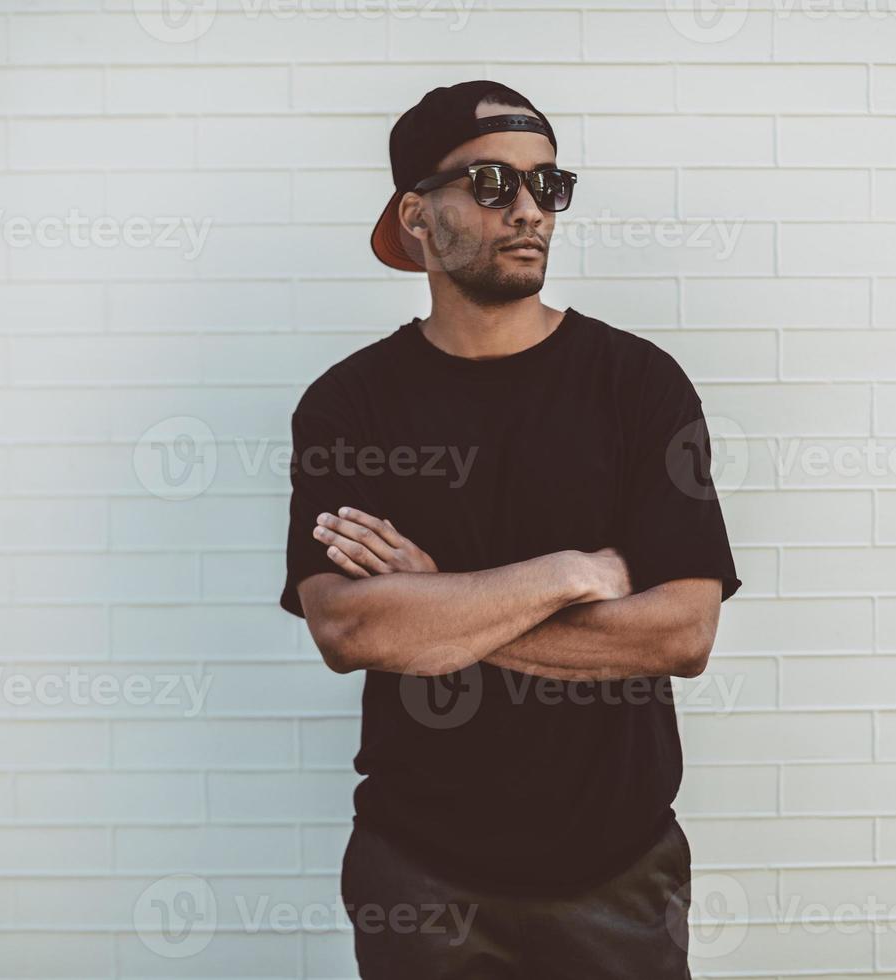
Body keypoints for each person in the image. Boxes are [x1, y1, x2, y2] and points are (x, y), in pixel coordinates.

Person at [279, 79, 742, 980]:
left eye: (547, 185)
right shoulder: (349, 405)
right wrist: (568, 571)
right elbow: (349, 628)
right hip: (418, 878)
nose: (528, 209)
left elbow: (682, 632)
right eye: (491, 184)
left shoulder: (639, 384)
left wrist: (438, 603)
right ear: (417, 213)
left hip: (619, 872)